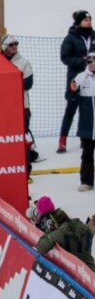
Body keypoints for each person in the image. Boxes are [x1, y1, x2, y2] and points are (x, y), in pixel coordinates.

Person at [59, 10, 93, 153]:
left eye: (90, 19)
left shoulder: (94, 35)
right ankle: (62, 139)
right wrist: (82, 61)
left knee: (89, 108)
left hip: (92, 77)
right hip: (76, 76)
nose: (89, 22)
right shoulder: (70, 38)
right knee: (71, 109)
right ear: (79, 22)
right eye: (86, 20)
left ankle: (85, 138)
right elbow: (65, 58)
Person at [0, 34, 34, 178]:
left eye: (16, 44)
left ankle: (26, 173)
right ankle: (6, 170)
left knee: (21, 140)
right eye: (11, 44)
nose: (14, 47)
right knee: (3, 140)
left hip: (21, 107)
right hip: (1, 107)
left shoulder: (23, 62)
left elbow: (28, 84)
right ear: (4, 46)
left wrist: (9, 79)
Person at [69, 51, 95, 191]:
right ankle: (87, 181)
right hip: (87, 125)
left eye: (94, 61)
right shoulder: (80, 77)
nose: (91, 64)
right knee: (87, 154)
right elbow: (71, 98)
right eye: (89, 61)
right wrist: (72, 91)